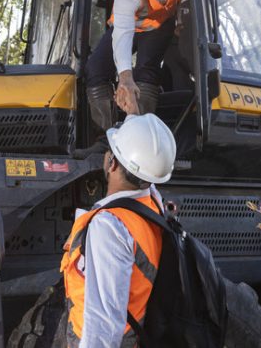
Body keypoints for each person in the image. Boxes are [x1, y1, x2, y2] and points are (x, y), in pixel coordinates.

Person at [60, 113, 176, 347]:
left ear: (111, 163)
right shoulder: (153, 202)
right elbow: (146, 161)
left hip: (94, 336)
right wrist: (133, 114)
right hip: (133, 324)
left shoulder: (110, 226)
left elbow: (104, 322)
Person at [85, 0, 187, 131]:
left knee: (146, 69)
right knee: (95, 68)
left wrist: (182, 16)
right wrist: (125, 79)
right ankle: (108, 137)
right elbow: (123, 33)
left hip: (160, 24)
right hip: (132, 26)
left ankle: (142, 133)